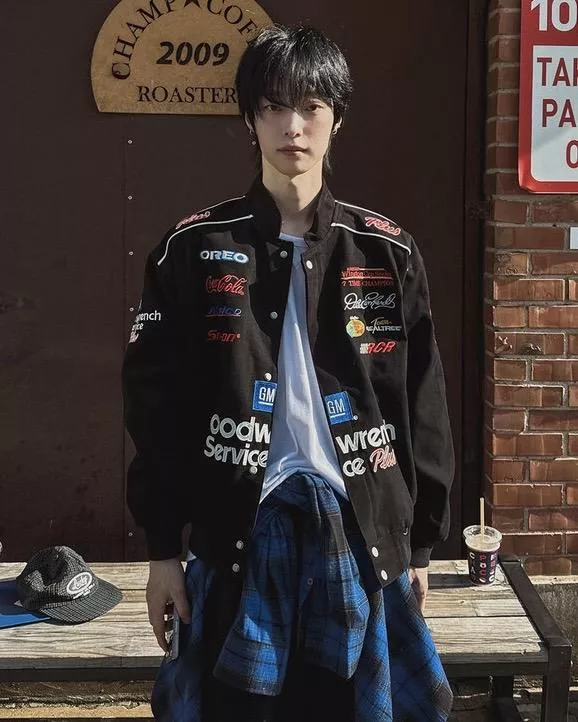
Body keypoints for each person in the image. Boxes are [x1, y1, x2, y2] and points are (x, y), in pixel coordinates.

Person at [122, 23, 455, 722]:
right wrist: (162, 552)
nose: (292, 126)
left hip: (360, 537)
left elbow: (423, 401)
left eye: (310, 106)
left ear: (337, 120)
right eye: (273, 106)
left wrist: (420, 544)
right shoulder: (193, 248)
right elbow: (157, 411)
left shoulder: (387, 251)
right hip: (237, 535)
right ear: (250, 119)